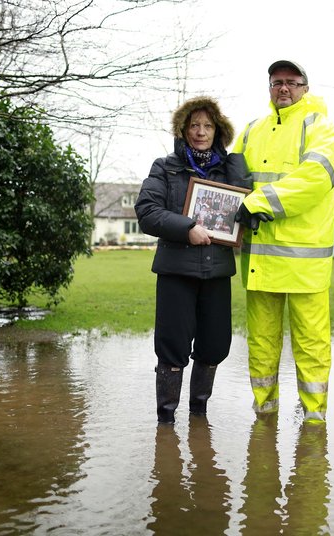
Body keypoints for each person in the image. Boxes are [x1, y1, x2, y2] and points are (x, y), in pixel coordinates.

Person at [232, 60, 334, 424]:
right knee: (261, 344)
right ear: (269, 88)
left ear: (305, 89)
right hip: (259, 261)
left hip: (304, 265)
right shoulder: (251, 130)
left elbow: (315, 178)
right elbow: (227, 177)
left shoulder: (323, 129)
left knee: (311, 345)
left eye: (292, 82)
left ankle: (314, 419)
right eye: (277, 82)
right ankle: (264, 412)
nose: (283, 88)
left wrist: (258, 202)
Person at [135, 96, 251, 424]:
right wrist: (187, 229)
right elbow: (146, 212)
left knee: (215, 346)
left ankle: (199, 417)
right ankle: (166, 421)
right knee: (171, 348)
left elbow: (245, 210)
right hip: (176, 271)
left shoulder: (229, 170)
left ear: (218, 131)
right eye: (194, 125)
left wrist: (240, 179)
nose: (201, 132)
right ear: (184, 130)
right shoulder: (165, 167)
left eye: (208, 126)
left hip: (216, 273)